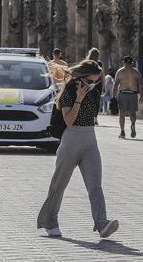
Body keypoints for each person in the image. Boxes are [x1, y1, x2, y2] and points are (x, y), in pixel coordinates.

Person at [37, 60, 119, 238]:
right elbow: (69, 121)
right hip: (71, 140)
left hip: (90, 141)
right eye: (90, 81)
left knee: (95, 185)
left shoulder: (95, 91)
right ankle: (50, 221)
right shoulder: (69, 91)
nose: (93, 85)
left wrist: (91, 90)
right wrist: (79, 99)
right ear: (81, 78)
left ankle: (102, 224)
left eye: (96, 81)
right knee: (59, 185)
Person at [113, 56, 143, 139]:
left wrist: (113, 96)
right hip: (133, 94)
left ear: (124, 62)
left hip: (123, 93)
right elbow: (141, 84)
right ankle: (133, 124)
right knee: (132, 113)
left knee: (122, 114)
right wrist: (142, 95)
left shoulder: (120, 71)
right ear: (132, 62)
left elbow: (116, 84)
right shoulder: (136, 72)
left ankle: (122, 132)